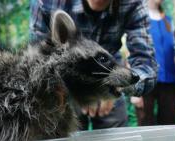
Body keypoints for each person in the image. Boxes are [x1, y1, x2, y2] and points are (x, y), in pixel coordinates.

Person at [29, 0, 157, 130]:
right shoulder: (48, 2)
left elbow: (146, 64)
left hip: (111, 76)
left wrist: (117, 87)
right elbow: (38, 61)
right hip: (63, 89)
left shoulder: (133, 3)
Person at [134, 0, 175, 126]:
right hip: (145, 81)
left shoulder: (170, 21)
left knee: (169, 125)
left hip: (170, 82)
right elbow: (132, 53)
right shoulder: (137, 18)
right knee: (146, 124)